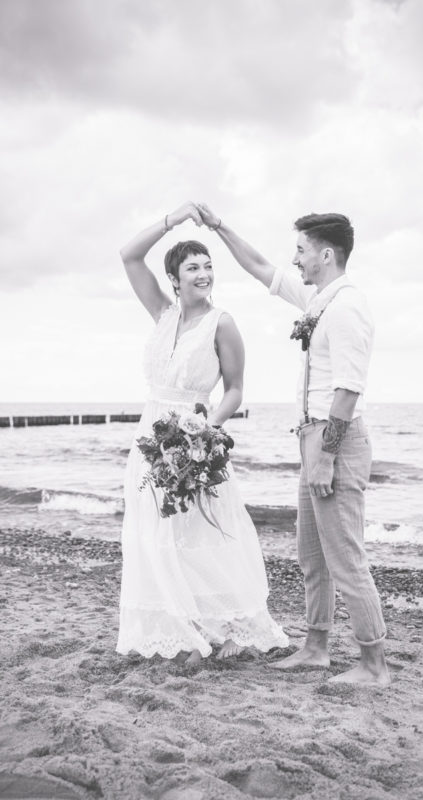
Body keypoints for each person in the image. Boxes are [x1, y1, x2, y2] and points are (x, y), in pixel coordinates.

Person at [195, 203, 390, 687]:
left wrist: (325, 454)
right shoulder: (317, 299)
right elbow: (263, 268)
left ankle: (374, 665)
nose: (295, 258)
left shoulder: (346, 307)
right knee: (312, 554)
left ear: (326, 253)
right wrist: (220, 227)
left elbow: (348, 389)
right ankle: (317, 647)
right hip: (313, 440)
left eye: (301, 250)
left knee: (345, 557)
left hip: (333, 441)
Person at [116, 202, 288, 664]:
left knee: (202, 533)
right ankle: (183, 627)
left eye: (208, 266)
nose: (204, 273)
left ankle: (223, 628)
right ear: (174, 278)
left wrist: (203, 431)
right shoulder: (163, 313)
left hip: (195, 438)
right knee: (157, 532)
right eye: (193, 266)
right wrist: (173, 219)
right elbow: (129, 256)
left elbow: (234, 390)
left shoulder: (222, 323)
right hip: (150, 437)